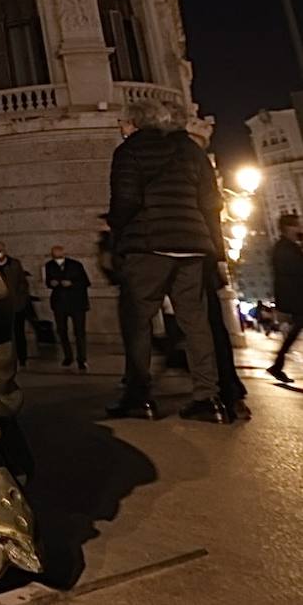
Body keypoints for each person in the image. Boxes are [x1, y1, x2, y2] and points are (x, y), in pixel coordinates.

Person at [107, 100, 228, 423]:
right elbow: (210, 202)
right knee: (195, 322)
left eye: (123, 121)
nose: (120, 127)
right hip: (191, 245)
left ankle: (139, 397)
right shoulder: (188, 150)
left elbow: (126, 200)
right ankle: (208, 398)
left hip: (149, 243)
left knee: (138, 321)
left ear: (133, 123)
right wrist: (216, 252)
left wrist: (116, 232)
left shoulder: (131, 151)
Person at [268, 213, 303, 383]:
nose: (300, 228)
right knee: (295, 330)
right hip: (295, 296)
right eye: (297, 225)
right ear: (288, 228)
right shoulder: (285, 249)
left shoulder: (287, 247)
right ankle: (277, 365)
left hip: (294, 296)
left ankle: (277, 365)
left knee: (295, 331)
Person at [44, 245, 91, 370]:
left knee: (79, 332)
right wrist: (51, 283)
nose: (57, 259)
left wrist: (72, 283)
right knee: (62, 331)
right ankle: (68, 356)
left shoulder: (75, 265)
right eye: (55, 256)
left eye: (59, 256)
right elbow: (48, 281)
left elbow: (85, 282)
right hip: (59, 303)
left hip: (76, 303)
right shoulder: (49, 265)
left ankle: (82, 359)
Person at [0, 242, 33, 367]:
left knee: (19, 333)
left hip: (16, 306)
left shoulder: (14, 264)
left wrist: (20, 300)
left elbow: (22, 284)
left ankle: (22, 357)